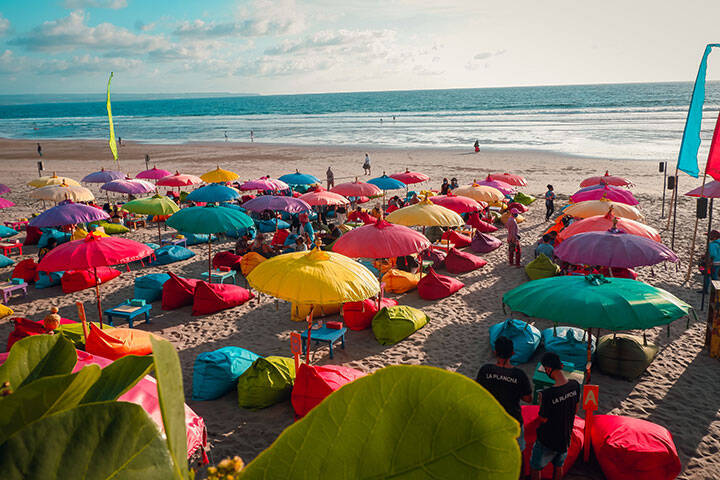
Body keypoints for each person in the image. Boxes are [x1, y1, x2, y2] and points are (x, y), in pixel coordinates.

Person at [476, 336, 532, 451]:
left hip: (490, 419)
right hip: (512, 419)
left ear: (495, 352)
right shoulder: (519, 375)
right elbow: (527, 399)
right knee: (516, 452)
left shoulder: (485, 370)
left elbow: (477, 390)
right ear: (512, 353)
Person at [531, 353, 581, 480]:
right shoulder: (575, 385)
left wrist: (543, 402)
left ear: (547, 369)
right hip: (565, 436)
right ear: (562, 366)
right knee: (558, 466)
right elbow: (575, 410)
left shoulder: (548, 394)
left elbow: (543, 419)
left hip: (547, 439)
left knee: (535, 467)